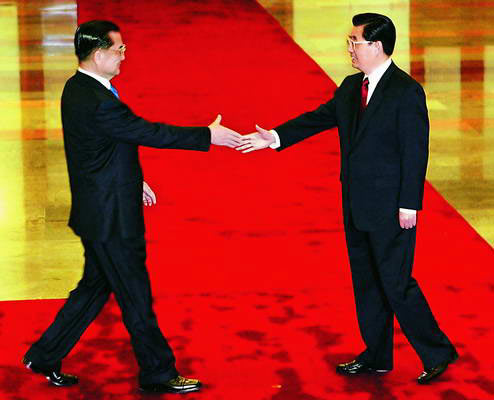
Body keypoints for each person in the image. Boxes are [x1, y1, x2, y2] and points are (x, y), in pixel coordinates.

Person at [22, 20, 242, 394]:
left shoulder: (79, 88)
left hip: (98, 209)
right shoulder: (97, 100)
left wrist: (132, 179)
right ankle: (158, 372)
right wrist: (209, 135)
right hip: (112, 219)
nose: (124, 55)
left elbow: (99, 146)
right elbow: (146, 131)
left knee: (94, 288)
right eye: (119, 49)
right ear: (99, 54)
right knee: (135, 296)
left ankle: (44, 355)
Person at [238, 13, 458, 384]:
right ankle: (376, 355)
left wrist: (410, 203)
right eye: (351, 42)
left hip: (392, 209)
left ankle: (437, 351)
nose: (350, 49)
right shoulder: (350, 86)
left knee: (396, 283)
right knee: (367, 282)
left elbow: (415, 150)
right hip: (357, 204)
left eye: (355, 42)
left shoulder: (405, 91)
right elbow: (319, 118)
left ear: (377, 46)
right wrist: (274, 137)